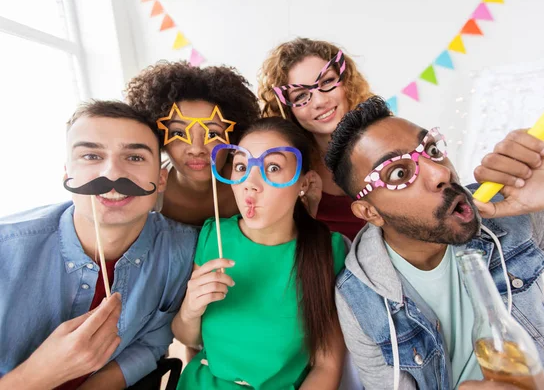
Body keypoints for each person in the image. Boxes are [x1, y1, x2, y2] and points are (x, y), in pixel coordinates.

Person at [324, 96, 544, 390]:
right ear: (370, 212)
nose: (441, 171)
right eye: (400, 173)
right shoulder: (358, 296)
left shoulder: (508, 208)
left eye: (431, 149)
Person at [0, 101, 198, 389]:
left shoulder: (182, 248)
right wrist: (39, 374)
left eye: (135, 158)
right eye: (91, 155)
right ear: (67, 174)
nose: (113, 174)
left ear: (161, 178)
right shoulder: (6, 250)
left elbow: (153, 339)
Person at [172, 117, 347, 389]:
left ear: (304, 183)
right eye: (241, 166)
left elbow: (327, 365)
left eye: (273, 167)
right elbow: (189, 339)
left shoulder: (328, 250)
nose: (250, 184)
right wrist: (190, 309)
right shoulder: (213, 236)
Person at [258, 38, 374, 240]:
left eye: (327, 82)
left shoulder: (386, 146)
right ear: (287, 109)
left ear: (346, 83)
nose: (320, 101)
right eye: (301, 96)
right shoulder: (285, 170)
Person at [125, 61, 260, 227]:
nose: (196, 149)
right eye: (178, 133)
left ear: (232, 136)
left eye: (212, 134)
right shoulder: (146, 190)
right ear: (159, 136)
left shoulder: (253, 183)